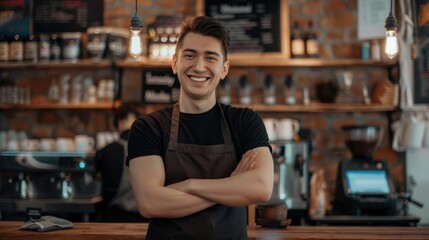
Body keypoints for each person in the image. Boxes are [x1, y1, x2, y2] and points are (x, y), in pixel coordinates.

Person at [127, 16, 274, 239]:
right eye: (190, 55)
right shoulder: (149, 127)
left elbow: (261, 187)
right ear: (175, 62)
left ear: (224, 69)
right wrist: (232, 186)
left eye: (210, 57)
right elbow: (150, 203)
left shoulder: (245, 121)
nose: (199, 66)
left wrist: (188, 185)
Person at [94, 101, 147, 222]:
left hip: (115, 218)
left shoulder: (108, 150)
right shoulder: (153, 148)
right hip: (146, 220)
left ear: (120, 121)